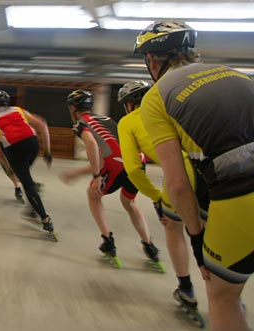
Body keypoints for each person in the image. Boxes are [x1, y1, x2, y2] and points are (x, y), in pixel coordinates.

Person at [135, 20, 253, 331]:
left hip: (241, 194)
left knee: (222, 294)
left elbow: (176, 183)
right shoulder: (237, 74)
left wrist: (197, 238)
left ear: (152, 60)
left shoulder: (156, 97)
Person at [117, 80, 209, 310]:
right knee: (208, 232)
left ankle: (186, 289)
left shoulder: (128, 122)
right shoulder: (171, 109)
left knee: (174, 227)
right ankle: (227, 293)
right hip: (208, 168)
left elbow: (134, 169)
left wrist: (156, 197)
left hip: (179, 173)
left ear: (130, 104)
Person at [59, 89, 159, 266]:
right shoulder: (106, 119)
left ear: (73, 107)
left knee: (93, 194)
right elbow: (106, 152)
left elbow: (92, 145)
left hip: (117, 163)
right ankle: (149, 246)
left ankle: (108, 241)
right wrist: (77, 173)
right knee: (129, 203)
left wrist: (97, 176)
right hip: (137, 161)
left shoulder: (82, 123)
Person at [0, 90, 55, 237]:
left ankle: (45, 219)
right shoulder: (18, 110)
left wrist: (8, 170)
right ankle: (33, 194)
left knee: (26, 182)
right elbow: (43, 125)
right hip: (32, 143)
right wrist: (48, 151)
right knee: (25, 177)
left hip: (14, 147)